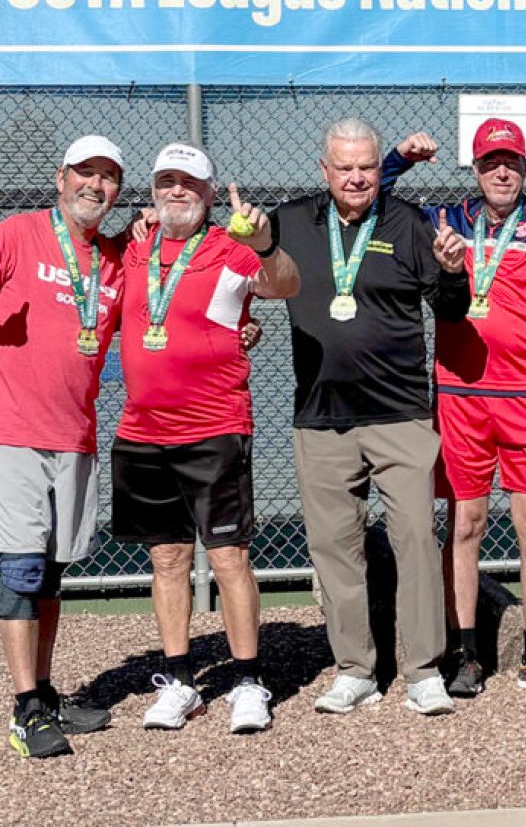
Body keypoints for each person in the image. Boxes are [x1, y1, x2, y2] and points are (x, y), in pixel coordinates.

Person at [386, 118, 526, 698]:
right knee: (465, 525)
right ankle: (468, 654)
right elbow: (370, 201)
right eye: (489, 163)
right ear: (475, 170)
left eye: (512, 163)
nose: (501, 172)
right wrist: (399, 158)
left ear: (525, 169)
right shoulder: (446, 219)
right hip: (461, 396)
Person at [271, 118, 468, 717]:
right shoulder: (290, 224)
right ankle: (355, 668)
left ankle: (424, 670)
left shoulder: (410, 223)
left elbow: (453, 314)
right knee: (336, 548)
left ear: (380, 168)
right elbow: (232, 270)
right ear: (323, 168)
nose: (356, 178)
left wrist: (455, 273)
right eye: (344, 167)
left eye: (366, 167)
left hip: (400, 415)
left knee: (414, 540)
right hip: (320, 415)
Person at [111, 142, 300, 735]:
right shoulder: (133, 246)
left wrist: (264, 243)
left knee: (227, 558)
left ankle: (248, 680)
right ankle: (180, 682)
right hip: (141, 430)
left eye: (189, 183)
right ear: (152, 189)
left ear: (210, 193)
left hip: (214, 427)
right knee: (166, 557)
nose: (176, 192)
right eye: (166, 181)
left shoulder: (230, 248)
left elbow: (287, 285)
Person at [0, 135, 125, 759]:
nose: (94, 185)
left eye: (107, 178)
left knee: (50, 574)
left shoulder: (113, 261)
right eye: (85, 173)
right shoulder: (17, 234)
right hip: (13, 434)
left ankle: (44, 692)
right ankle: (24, 712)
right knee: (18, 573)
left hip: (74, 437)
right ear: (60, 178)